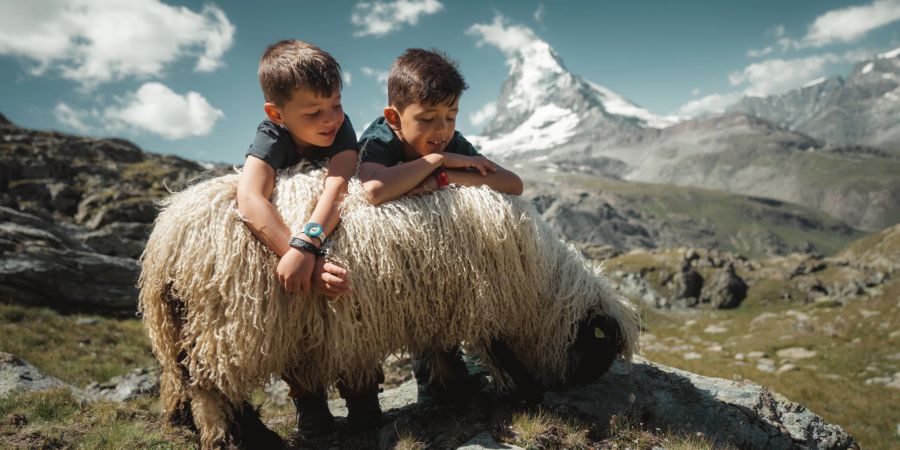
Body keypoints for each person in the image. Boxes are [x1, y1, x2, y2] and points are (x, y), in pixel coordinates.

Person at [357, 48, 524, 405]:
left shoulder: (453, 139)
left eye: (451, 116)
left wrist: (443, 176)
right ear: (393, 117)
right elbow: (374, 190)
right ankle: (429, 381)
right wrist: (439, 159)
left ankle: (458, 371)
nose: (442, 129)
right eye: (428, 117)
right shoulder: (380, 140)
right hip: (383, 263)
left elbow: (512, 183)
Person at [235, 39, 381, 437]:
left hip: (326, 235)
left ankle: (363, 391)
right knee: (289, 303)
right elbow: (249, 198)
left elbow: (338, 184)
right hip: (292, 243)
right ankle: (309, 400)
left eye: (336, 104)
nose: (330, 118)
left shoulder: (341, 128)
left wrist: (307, 245)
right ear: (276, 113)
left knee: (357, 299)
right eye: (314, 111)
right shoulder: (270, 135)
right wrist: (297, 256)